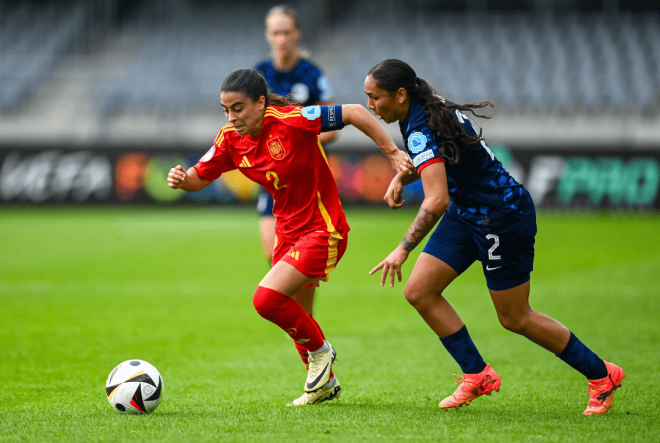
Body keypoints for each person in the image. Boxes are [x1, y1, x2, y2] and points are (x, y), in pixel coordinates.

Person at [366, 59, 624, 415]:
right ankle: (477, 375)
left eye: (374, 98)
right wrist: (401, 177)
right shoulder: (425, 108)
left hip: (501, 217)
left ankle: (602, 375)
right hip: (468, 212)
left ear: (399, 94)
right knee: (420, 291)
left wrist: (402, 249)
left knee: (515, 317)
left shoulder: (420, 124)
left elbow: (436, 199)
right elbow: (439, 158)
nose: (370, 106)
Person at [167, 68, 413, 406]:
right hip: (287, 232)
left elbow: (355, 112)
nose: (231, 117)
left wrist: (392, 153)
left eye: (238, 108)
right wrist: (182, 178)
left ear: (260, 103)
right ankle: (323, 386)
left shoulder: (292, 120)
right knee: (299, 314)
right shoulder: (229, 139)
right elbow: (199, 176)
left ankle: (323, 352)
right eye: (225, 110)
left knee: (266, 300)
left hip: (323, 229)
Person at [254, 5, 338, 264]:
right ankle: (289, 305)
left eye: (286, 32)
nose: (281, 39)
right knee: (273, 254)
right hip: (273, 174)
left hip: (305, 175)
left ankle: (304, 307)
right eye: (275, 32)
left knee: (301, 257)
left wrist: (295, 145)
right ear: (268, 35)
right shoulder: (258, 75)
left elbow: (332, 127)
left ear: (297, 33)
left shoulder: (313, 76)